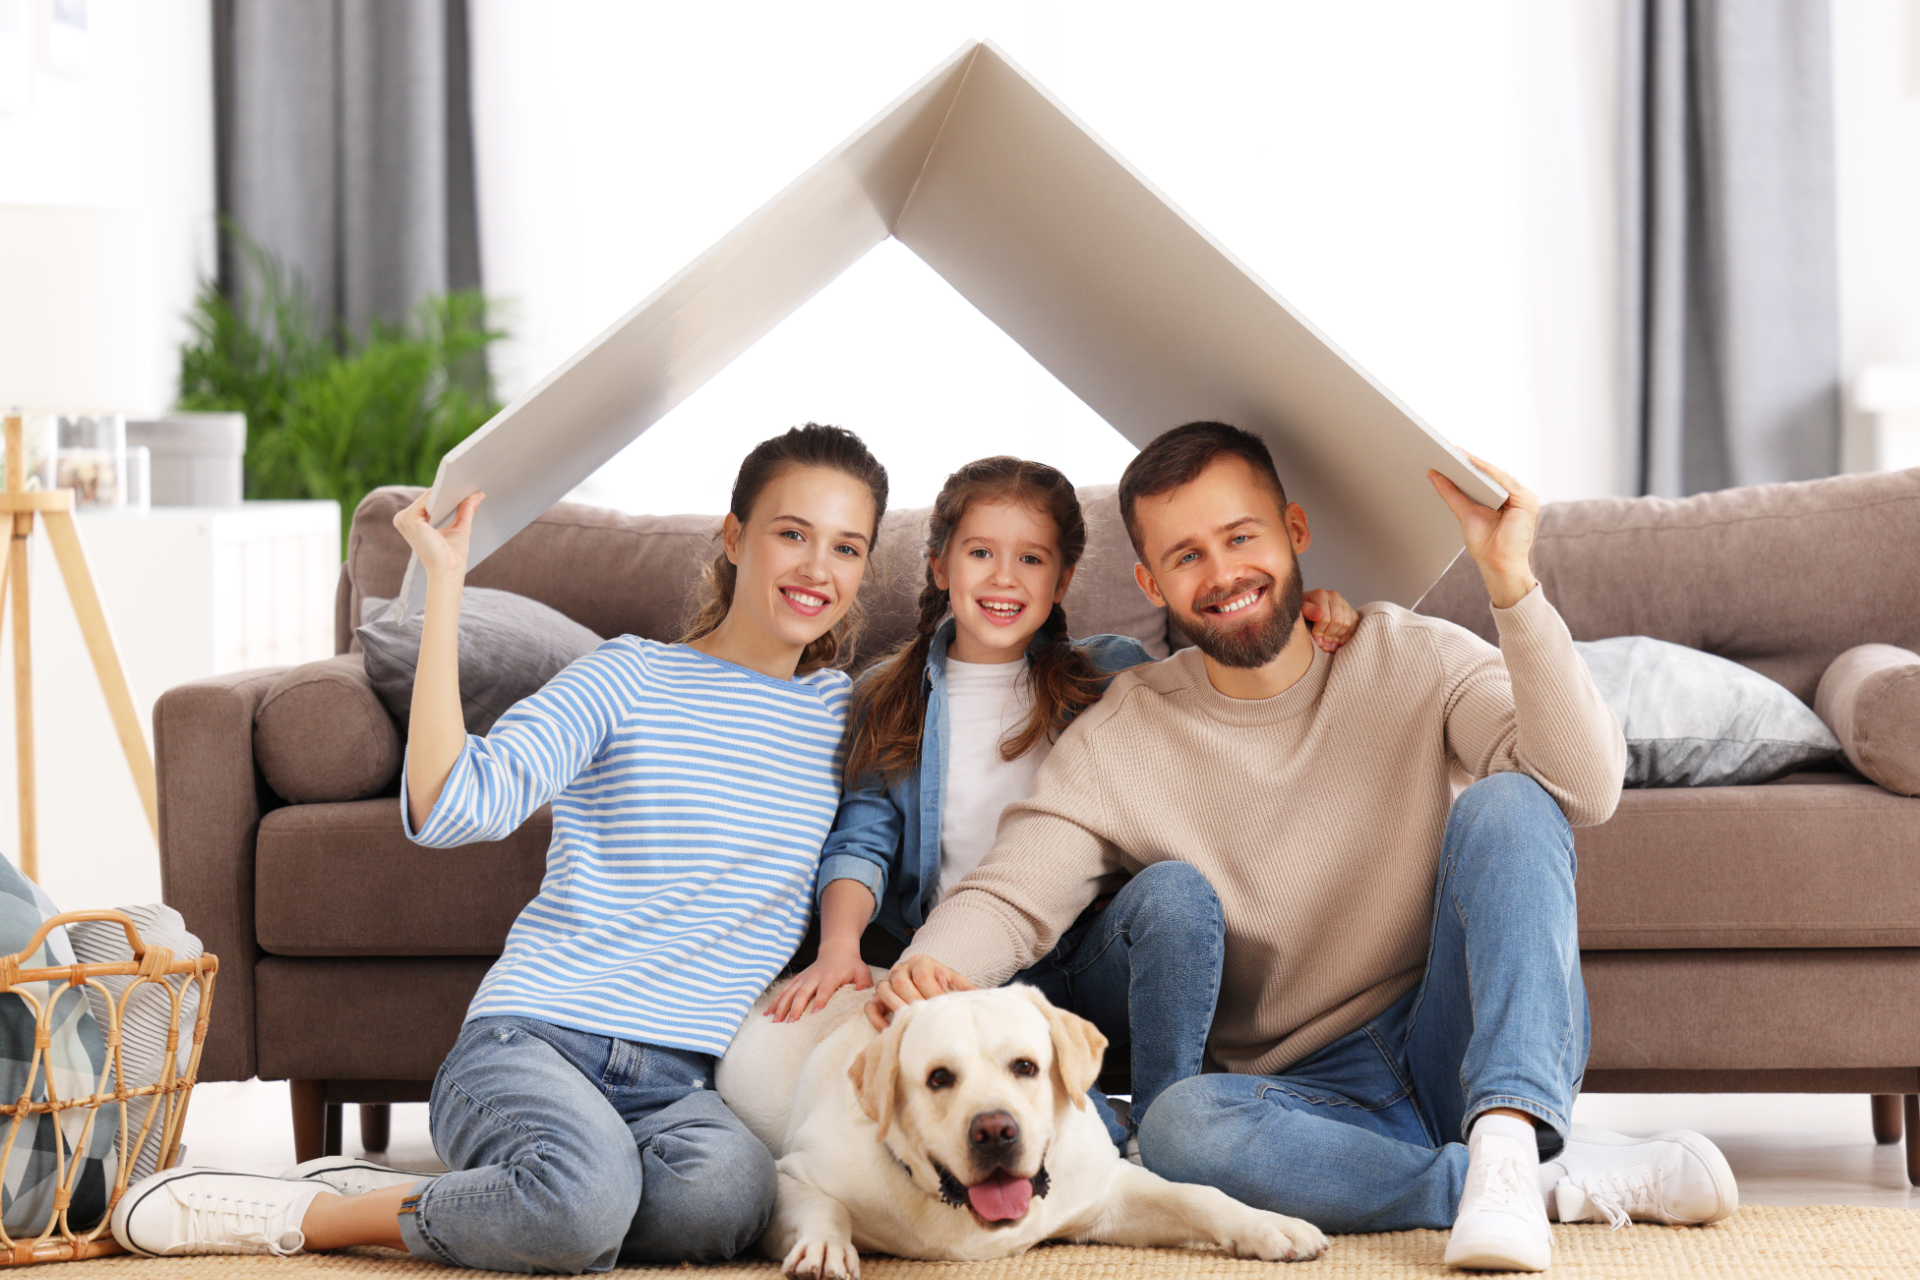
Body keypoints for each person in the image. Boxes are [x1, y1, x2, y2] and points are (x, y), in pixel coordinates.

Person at [868, 422, 1738, 1273]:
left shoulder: (1413, 656)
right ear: (1151, 581)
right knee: (1175, 1128)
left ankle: (1509, 1140)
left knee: (1513, 802)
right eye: (1186, 556)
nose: (1221, 574)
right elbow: (1016, 892)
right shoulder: (1123, 732)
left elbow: (1584, 786)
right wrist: (921, 975)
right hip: (1297, 1099)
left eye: (1240, 537)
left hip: (1449, 1034)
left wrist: (1510, 582)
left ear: (1294, 532)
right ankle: (1523, 1184)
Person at [112, 425, 892, 1273]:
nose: (818, 567)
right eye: (792, 533)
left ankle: (544, 1193)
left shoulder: (843, 716)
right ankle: (319, 1211)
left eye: (846, 547)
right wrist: (444, 589)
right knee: (581, 1206)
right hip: (534, 1040)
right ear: (736, 537)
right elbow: (453, 805)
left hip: (683, 1082)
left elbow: (869, 836)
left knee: (726, 1204)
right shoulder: (627, 676)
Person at [766, 456, 1358, 1152]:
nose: (1005, 578)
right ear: (939, 567)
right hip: (976, 972)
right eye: (981, 553)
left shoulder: (1112, 673)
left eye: (1032, 559)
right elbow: (860, 841)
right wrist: (839, 947)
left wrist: (1308, 613)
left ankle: (1175, 1116)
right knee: (1080, 1143)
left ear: (1063, 579)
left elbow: (1228, 663)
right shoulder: (885, 694)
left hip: (1095, 953)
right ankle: (1108, 1133)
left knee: (1175, 891)